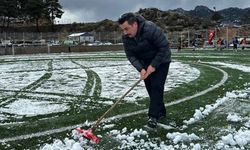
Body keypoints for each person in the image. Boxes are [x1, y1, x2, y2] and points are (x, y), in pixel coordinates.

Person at [118, 12, 171, 128]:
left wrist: (154, 65)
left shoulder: (150, 28)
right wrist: (141, 69)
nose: (125, 32)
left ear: (135, 24)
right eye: (123, 29)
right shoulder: (126, 37)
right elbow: (131, 56)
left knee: (157, 85)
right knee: (150, 88)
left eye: (126, 29)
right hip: (145, 63)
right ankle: (161, 111)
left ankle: (153, 116)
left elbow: (164, 47)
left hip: (162, 60)